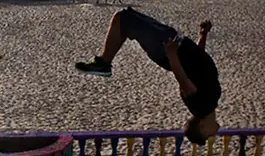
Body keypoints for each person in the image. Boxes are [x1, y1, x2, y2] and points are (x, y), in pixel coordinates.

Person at [75, 8, 221, 145]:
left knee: (122, 18)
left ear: (201, 127)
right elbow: (197, 64)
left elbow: (182, 79)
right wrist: (202, 36)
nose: (213, 135)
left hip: (167, 49)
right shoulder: (211, 102)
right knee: (124, 20)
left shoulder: (201, 106)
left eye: (208, 136)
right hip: (173, 46)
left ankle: (104, 62)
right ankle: (105, 61)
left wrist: (171, 54)